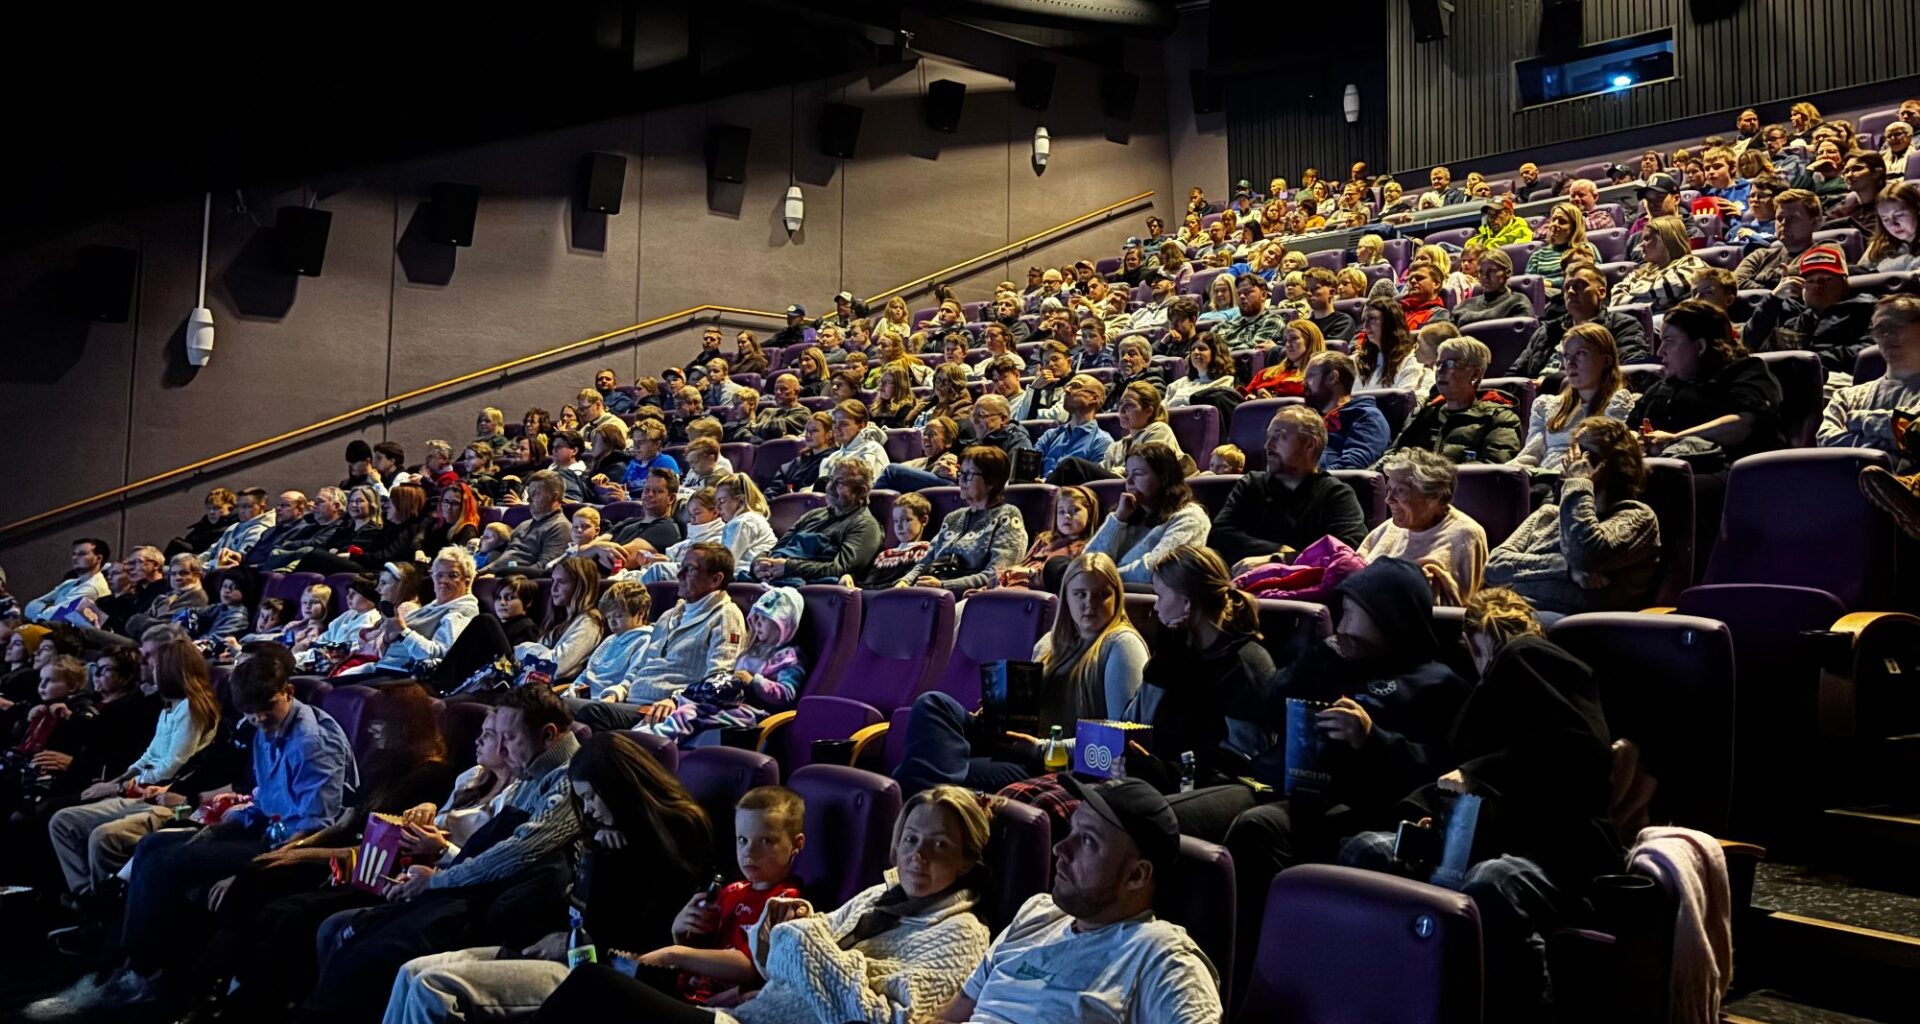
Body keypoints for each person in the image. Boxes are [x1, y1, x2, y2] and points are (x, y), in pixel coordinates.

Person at [1338, 588, 1617, 1024]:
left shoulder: (1533, 658)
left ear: (1473, 639)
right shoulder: (1494, 690)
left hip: (1555, 847)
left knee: (1492, 883)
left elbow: (1578, 756)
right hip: (1480, 837)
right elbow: (1463, 772)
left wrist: (1478, 774)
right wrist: (1430, 811)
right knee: (1365, 850)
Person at [54, 644, 355, 1010]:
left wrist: (252, 872)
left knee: (172, 863)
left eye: (267, 709)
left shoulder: (312, 743)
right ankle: (127, 964)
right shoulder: (263, 725)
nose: (259, 720)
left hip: (287, 848)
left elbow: (314, 827)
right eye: (251, 713)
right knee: (152, 847)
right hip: (264, 829)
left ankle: (139, 971)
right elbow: (268, 800)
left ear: (288, 692)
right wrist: (228, 821)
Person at [539, 784, 993, 1024]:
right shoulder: (880, 896)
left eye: (939, 845)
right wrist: (778, 932)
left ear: (969, 859)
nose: (918, 855)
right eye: (911, 839)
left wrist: (801, 935)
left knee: (594, 988)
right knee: (591, 988)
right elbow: (774, 959)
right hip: (740, 1013)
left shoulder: (962, 934)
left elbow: (885, 1018)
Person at [299, 685, 582, 1021]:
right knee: (354, 931)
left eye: (509, 739)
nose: (502, 751)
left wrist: (437, 881)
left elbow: (515, 852)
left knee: (373, 955)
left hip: (502, 910)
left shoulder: (571, 778)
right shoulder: (533, 771)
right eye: (498, 738)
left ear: (549, 735)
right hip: (468, 893)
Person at [896, 552, 1145, 796]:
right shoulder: (1049, 644)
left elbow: (1120, 740)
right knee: (933, 704)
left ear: (1117, 597)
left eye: (1102, 595)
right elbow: (1032, 713)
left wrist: (1039, 749)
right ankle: (937, 794)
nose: (1089, 604)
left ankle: (930, 798)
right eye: (1080, 594)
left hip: (1051, 762)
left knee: (914, 772)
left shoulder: (1121, 645)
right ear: (1066, 597)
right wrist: (1000, 714)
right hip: (1020, 744)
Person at [43, 637, 220, 915]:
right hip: (142, 787)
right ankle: (88, 897)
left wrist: (119, 788)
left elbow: (171, 766)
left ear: (171, 668)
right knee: (62, 821)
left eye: (154, 663)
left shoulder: (191, 707)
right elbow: (149, 755)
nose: (148, 668)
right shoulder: (171, 705)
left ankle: (102, 910)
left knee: (99, 835)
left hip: (162, 795)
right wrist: (113, 783)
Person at [637, 786, 805, 1004]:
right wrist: (680, 931)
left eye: (766, 841)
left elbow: (750, 968)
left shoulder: (788, 903)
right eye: (742, 839)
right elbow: (703, 956)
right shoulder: (732, 891)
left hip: (724, 1009)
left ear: (796, 844)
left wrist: (676, 954)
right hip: (687, 996)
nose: (749, 852)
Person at [579, 543, 743, 730]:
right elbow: (641, 667)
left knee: (590, 714)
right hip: (632, 702)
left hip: (660, 711)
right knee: (561, 709)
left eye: (689, 570)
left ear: (716, 579)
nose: (679, 575)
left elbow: (719, 677)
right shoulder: (669, 615)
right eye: (680, 567)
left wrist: (677, 700)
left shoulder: (726, 615)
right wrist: (617, 692)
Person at [635, 586, 804, 746]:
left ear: (783, 625)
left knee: (691, 713)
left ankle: (657, 740)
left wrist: (754, 681)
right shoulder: (752, 650)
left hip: (753, 711)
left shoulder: (788, 657)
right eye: (756, 617)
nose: (758, 623)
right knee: (685, 703)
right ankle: (645, 733)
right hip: (731, 703)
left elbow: (786, 694)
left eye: (765, 619)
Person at [1210, 405, 1369, 571]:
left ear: (1309, 445)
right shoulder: (1251, 484)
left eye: (1279, 437)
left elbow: (1348, 551)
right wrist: (1278, 550)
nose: (1267, 445)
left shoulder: (1336, 494)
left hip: (1303, 594)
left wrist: (1282, 559)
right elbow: (1219, 536)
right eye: (1268, 437)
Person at [1634, 299, 1784, 464]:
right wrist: (1639, 441)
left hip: (1722, 471)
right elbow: (1630, 427)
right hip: (1657, 468)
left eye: (1669, 341)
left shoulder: (1746, 371)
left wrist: (1676, 439)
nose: (1660, 351)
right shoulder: (1664, 385)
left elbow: (1742, 425)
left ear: (1700, 346)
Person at [1359, 449, 1490, 603]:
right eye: (1389, 489)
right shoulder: (1390, 527)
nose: (1388, 499)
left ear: (1433, 497)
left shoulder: (1465, 535)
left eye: (1400, 490)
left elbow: (1453, 605)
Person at [1838, 296, 1920, 535]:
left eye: (1897, 327)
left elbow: (1913, 432)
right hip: (1858, 479)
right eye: (1880, 330)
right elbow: (1828, 439)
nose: (1886, 337)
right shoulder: (1847, 395)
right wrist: (1890, 446)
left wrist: (1860, 420)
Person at [897, 447, 1029, 594]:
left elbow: (998, 573)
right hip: (933, 590)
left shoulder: (1007, 516)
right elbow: (926, 561)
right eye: (961, 473)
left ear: (991, 481)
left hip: (972, 596)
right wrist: (905, 581)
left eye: (968, 475)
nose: (961, 479)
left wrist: (944, 585)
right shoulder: (953, 517)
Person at [1516, 322, 1638, 478]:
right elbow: (1529, 456)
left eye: (1580, 354)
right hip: (1542, 479)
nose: (1570, 364)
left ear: (1606, 361)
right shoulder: (1546, 405)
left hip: (1588, 482)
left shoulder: (1620, 403)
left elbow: (1608, 455)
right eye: (1566, 356)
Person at [1082, 441, 1212, 587]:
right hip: (1111, 589)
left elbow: (1157, 569)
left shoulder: (1190, 517)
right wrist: (1118, 519)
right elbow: (1089, 560)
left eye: (1138, 474)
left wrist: (1103, 577)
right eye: (1127, 474)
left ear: (1164, 477)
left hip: (1154, 595)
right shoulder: (1128, 513)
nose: (1129, 481)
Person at [1744, 243, 1877, 377]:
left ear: (1844, 285)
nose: (1818, 286)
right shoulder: (1794, 314)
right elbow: (1750, 342)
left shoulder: (1866, 309)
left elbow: (1870, 350)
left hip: (1841, 380)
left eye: (1827, 279)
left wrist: (1812, 361)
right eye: (1810, 281)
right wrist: (1773, 299)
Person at [1387, 336, 1523, 465]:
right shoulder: (1423, 413)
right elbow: (1394, 456)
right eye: (1438, 364)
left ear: (1475, 374)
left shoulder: (1500, 419)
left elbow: (1491, 472)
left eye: (1450, 363)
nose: (1440, 370)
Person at [750, 459, 883, 586]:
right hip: (773, 579)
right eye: (831, 479)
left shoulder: (866, 526)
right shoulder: (813, 515)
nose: (830, 487)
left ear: (861, 491)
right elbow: (777, 549)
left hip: (804, 590)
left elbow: (840, 569)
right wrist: (758, 564)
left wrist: (789, 567)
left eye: (840, 482)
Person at [1512, 262, 1651, 378]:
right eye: (1567, 287)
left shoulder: (1623, 325)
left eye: (1579, 285)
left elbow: (1628, 372)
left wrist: (1555, 382)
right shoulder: (1547, 331)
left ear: (1601, 292)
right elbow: (1515, 373)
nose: (1571, 292)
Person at [1048, 382, 1188, 484]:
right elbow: (1101, 471)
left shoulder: (1159, 430)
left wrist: (1115, 472)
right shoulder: (1116, 446)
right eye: (1121, 404)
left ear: (1148, 411)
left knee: (1072, 465)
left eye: (1130, 405)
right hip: (1117, 490)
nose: (1122, 410)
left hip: (1144, 487)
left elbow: (1146, 467)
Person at [1307, 351, 1394, 471]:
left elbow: (1353, 464)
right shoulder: (1310, 417)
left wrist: (1308, 479)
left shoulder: (1367, 417)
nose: (1304, 383)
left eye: (1310, 376)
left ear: (1333, 377)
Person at [480, 472, 571, 575]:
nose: (528, 500)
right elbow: (503, 556)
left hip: (518, 584)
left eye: (535, 494)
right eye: (529, 494)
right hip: (497, 576)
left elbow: (543, 568)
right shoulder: (523, 525)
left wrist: (498, 573)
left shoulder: (560, 527)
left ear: (555, 497)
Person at [1611, 215, 1708, 311]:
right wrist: (1656, 303)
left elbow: (1670, 287)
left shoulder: (1692, 264)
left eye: (1647, 239)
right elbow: (1616, 295)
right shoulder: (1639, 272)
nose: (1641, 245)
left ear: (1665, 240)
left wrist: (1632, 298)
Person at [848, 492, 935, 591]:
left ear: (924, 520)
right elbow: (868, 584)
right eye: (896, 521)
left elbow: (903, 584)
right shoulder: (884, 555)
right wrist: (850, 578)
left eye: (906, 520)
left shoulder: (925, 552)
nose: (899, 526)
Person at [1354, 296, 1435, 394]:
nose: (1365, 326)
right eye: (1364, 320)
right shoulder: (1358, 360)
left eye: (1372, 318)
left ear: (1390, 322)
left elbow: (1404, 404)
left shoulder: (1411, 361)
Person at [22, 538, 112, 624]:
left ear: (98, 558)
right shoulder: (70, 582)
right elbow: (30, 606)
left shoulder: (93, 588)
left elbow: (57, 617)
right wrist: (48, 610)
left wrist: (44, 610)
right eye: (74, 554)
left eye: (82, 554)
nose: (74, 558)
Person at [608, 467, 684, 554]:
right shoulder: (629, 521)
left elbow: (619, 557)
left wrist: (596, 548)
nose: (650, 494)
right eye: (647, 490)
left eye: (657, 491)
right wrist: (595, 548)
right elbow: (596, 542)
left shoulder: (666, 529)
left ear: (671, 498)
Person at [1452, 249, 1532, 326]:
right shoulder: (1465, 305)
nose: (1485, 276)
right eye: (1480, 271)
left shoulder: (1517, 301)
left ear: (1507, 273)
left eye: (1492, 271)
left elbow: (1523, 335)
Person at [764, 412, 836, 496]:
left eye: (814, 430)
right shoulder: (798, 461)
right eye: (807, 430)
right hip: (779, 504)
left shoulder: (832, 460)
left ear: (829, 435)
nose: (808, 435)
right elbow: (774, 489)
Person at [1212, 274, 1288, 351]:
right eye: (1239, 293)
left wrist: (1215, 353)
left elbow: (1249, 351)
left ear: (1263, 295)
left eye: (1247, 292)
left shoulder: (1272, 321)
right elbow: (1206, 345)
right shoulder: (1227, 324)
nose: (1241, 296)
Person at [1164, 332, 1239, 409]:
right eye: (1193, 349)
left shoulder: (1227, 382)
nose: (1196, 352)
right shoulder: (1177, 385)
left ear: (1215, 353)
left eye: (1202, 349)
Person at [1864, 180, 1920, 272]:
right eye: (1885, 219)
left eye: (1899, 215)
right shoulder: (1879, 245)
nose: (1893, 224)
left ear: (1917, 210)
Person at [1470, 196, 1535, 250]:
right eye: (1490, 214)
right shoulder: (1479, 239)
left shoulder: (1522, 233)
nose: (1493, 218)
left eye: (1497, 213)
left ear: (1510, 213)